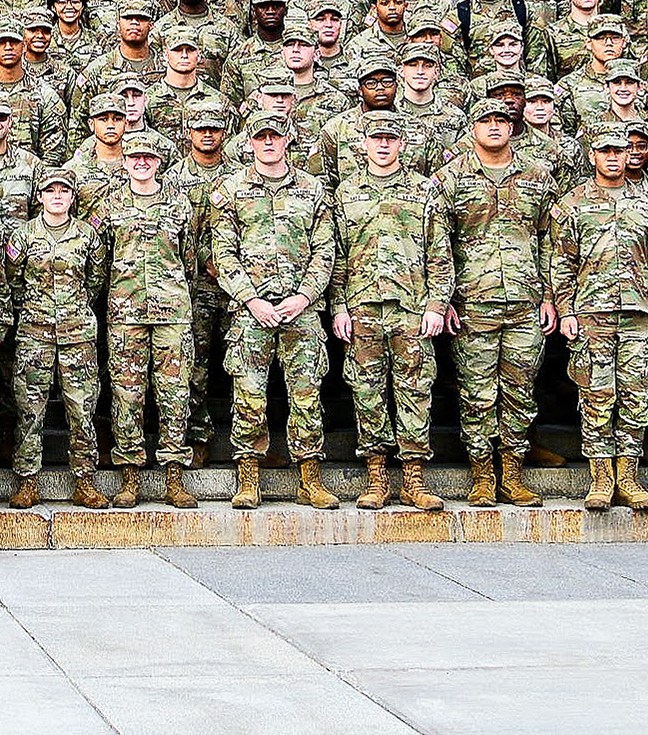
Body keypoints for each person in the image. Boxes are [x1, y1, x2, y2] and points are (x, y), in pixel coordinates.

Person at [211, 114, 337, 508]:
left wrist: (304, 297)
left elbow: (325, 250)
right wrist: (251, 300)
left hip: (302, 310)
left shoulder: (312, 189)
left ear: (287, 140)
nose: (268, 143)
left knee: (306, 397)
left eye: (275, 136)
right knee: (249, 397)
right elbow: (223, 252)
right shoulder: (232, 189)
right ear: (250, 143)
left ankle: (310, 480)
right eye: (261, 137)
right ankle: (249, 480)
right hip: (252, 312)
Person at [437, 98, 552, 507]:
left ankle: (513, 475)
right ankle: (483, 476)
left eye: (501, 120)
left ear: (512, 127)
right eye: (485, 120)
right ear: (472, 128)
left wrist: (550, 296)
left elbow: (550, 240)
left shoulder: (537, 175)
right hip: (473, 302)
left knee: (520, 393)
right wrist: (445, 299)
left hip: (525, 300)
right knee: (477, 395)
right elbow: (439, 243)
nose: (494, 126)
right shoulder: (451, 178)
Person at [331, 112, 448, 512]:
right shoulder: (346, 192)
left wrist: (436, 305)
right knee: (367, 392)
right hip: (362, 306)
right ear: (364, 143)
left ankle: (414, 478)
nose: (383, 145)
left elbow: (439, 253)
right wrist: (339, 306)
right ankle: (376, 477)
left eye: (390, 139)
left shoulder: (423, 190)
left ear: (402, 143)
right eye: (376, 138)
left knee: (416, 391)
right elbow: (338, 255)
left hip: (411, 308)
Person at [546, 130, 648, 512]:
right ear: (593, 155)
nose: (613, 157)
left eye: (620, 150)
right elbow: (562, 262)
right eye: (606, 151)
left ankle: (628, 478)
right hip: (591, 313)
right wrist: (565, 310)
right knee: (596, 396)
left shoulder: (647, 204)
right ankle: (601, 479)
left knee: (635, 396)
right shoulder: (573, 204)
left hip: (637, 314)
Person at [2, 170, 108, 510]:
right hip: (35, 333)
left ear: (73, 197)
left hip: (77, 335)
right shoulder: (23, 236)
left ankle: (84, 481)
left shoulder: (87, 236)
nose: (57, 196)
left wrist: (74, 308)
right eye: (51, 191)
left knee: (82, 409)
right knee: (29, 411)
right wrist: (35, 309)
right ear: (40, 197)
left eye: (64, 190)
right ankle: (27, 481)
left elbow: (96, 279)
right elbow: (13, 281)